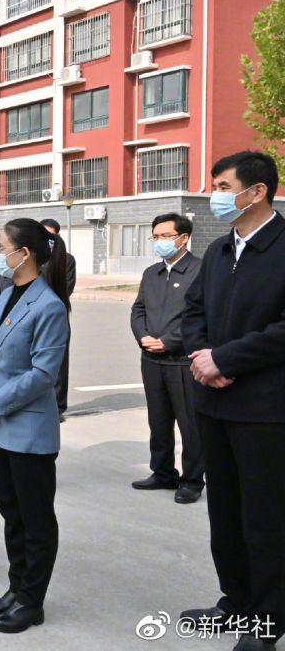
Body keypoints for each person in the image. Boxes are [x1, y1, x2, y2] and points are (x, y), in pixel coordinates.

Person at [180, 151, 285, 651]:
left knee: (265, 518)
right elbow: (193, 310)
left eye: (223, 186)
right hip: (214, 403)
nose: (214, 195)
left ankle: (267, 620)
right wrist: (204, 357)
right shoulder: (220, 249)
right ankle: (236, 602)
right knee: (224, 514)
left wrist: (225, 359)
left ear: (257, 191)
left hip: (265, 410)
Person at [0, 218, 70, 633]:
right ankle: (17, 587)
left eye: (2, 247)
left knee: (35, 519)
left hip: (28, 430)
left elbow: (43, 374)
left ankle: (33, 600)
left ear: (23, 253)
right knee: (11, 513)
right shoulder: (6, 295)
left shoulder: (49, 305)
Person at [129, 213, 204, 503]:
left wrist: (169, 341)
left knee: (190, 425)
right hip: (151, 360)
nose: (159, 241)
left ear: (184, 238)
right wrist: (142, 336)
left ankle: (192, 480)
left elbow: (201, 315)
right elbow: (138, 309)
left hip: (183, 360)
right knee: (158, 421)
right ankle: (162, 472)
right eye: (156, 236)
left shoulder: (200, 270)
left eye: (166, 236)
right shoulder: (152, 273)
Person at [39, 219, 76, 419]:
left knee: (59, 363)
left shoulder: (66, 260)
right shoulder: (32, 257)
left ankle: (58, 406)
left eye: (50, 236)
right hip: (33, 316)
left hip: (56, 316)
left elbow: (66, 289)